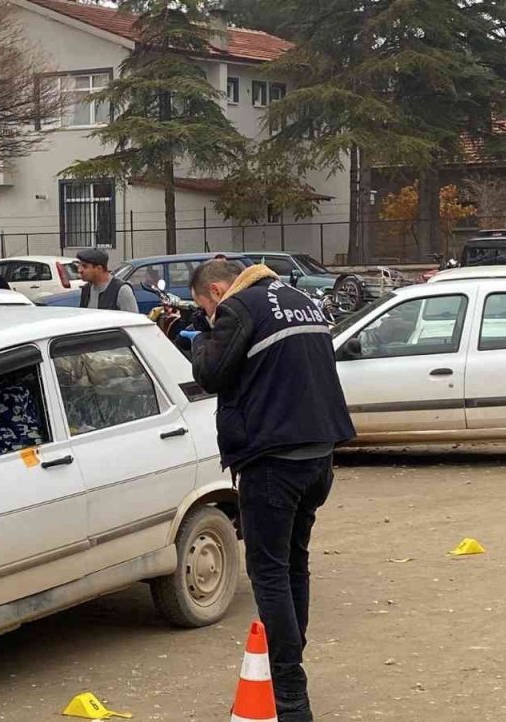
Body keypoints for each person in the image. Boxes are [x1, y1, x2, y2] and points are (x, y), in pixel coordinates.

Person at [188, 259, 355, 722]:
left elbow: (211, 374)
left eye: (205, 306)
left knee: (268, 573)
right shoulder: (302, 301)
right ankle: (290, 661)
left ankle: (289, 695)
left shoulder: (238, 308)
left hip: (272, 461)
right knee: (292, 565)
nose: (207, 314)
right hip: (318, 455)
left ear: (217, 291)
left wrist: (199, 337)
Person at [76, 248, 139, 313]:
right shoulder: (86, 290)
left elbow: (134, 320)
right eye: (79, 265)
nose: (79, 270)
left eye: (85, 266)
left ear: (99, 269)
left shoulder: (121, 290)